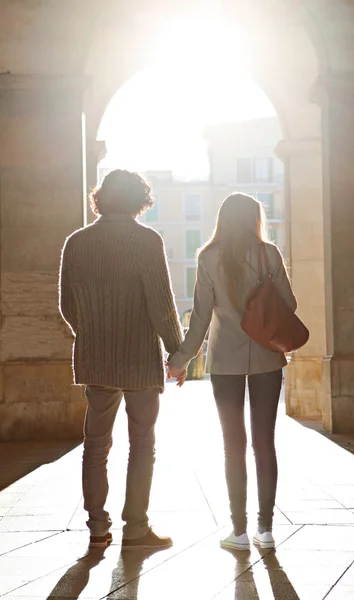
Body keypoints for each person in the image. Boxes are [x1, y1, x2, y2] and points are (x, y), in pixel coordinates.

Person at [59, 170, 184, 551]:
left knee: (95, 444)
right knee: (142, 443)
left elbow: (67, 305)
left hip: (96, 360)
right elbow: (161, 305)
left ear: (101, 198)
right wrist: (177, 351)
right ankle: (136, 527)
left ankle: (97, 527)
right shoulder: (146, 240)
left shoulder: (77, 242)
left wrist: (93, 334)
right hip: (140, 359)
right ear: (138, 199)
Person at [168, 193, 297, 551]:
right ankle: (266, 529)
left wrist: (180, 359)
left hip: (224, 361)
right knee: (264, 443)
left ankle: (238, 531)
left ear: (222, 219)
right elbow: (290, 304)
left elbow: (201, 318)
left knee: (233, 445)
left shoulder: (208, 257)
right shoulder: (268, 255)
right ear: (255, 218)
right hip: (268, 358)